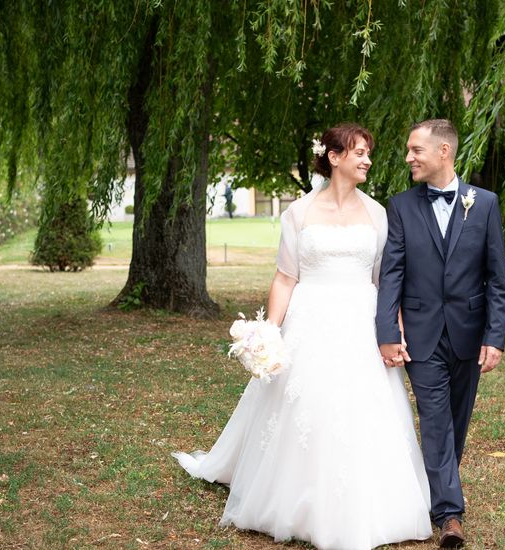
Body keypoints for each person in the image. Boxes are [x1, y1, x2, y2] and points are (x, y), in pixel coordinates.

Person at [172, 124, 432, 550]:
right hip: (310, 317)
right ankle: (293, 495)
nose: (367, 160)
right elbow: (285, 277)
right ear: (334, 157)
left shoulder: (378, 214)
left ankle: (368, 501)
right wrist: (270, 332)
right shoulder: (299, 213)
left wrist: (393, 326)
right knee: (307, 400)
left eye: (369, 153)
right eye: (360, 153)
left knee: (362, 405)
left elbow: (385, 280)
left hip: (360, 318)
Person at [376, 119, 505, 548]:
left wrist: (495, 336)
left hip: (470, 333)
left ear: (443, 153)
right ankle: (450, 514)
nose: (409, 157)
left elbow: (496, 278)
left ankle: (437, 486)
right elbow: (392, 274)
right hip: (420, 332)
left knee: (456, 420)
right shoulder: (400, 206)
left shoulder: (483, 203)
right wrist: (386, 331)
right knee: (434, 420)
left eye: (416, 150)